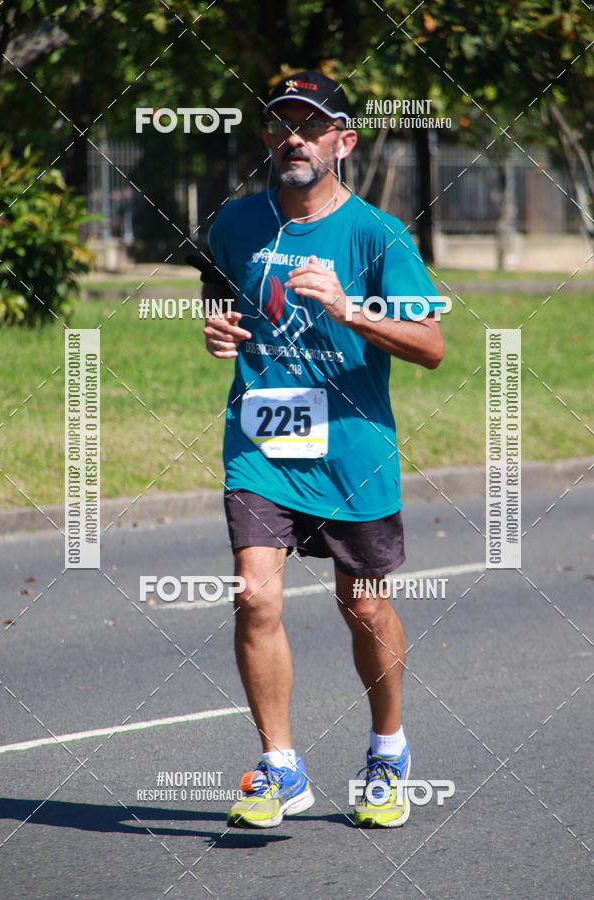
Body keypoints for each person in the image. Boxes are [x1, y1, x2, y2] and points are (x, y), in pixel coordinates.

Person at [201, 71, 444, 829]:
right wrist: (215, 331)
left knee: (364, 606)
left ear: (346, 140)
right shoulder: (234, 223)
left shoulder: (377, 234)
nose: (296, 138)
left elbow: (431, 345)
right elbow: (224, 298)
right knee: (256, 593)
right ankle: (280, 769)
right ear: (270, 136)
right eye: (284, 124)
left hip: (352, 448)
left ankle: (388, 752)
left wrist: (350, 308)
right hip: (264, 435)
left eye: (314, 125)